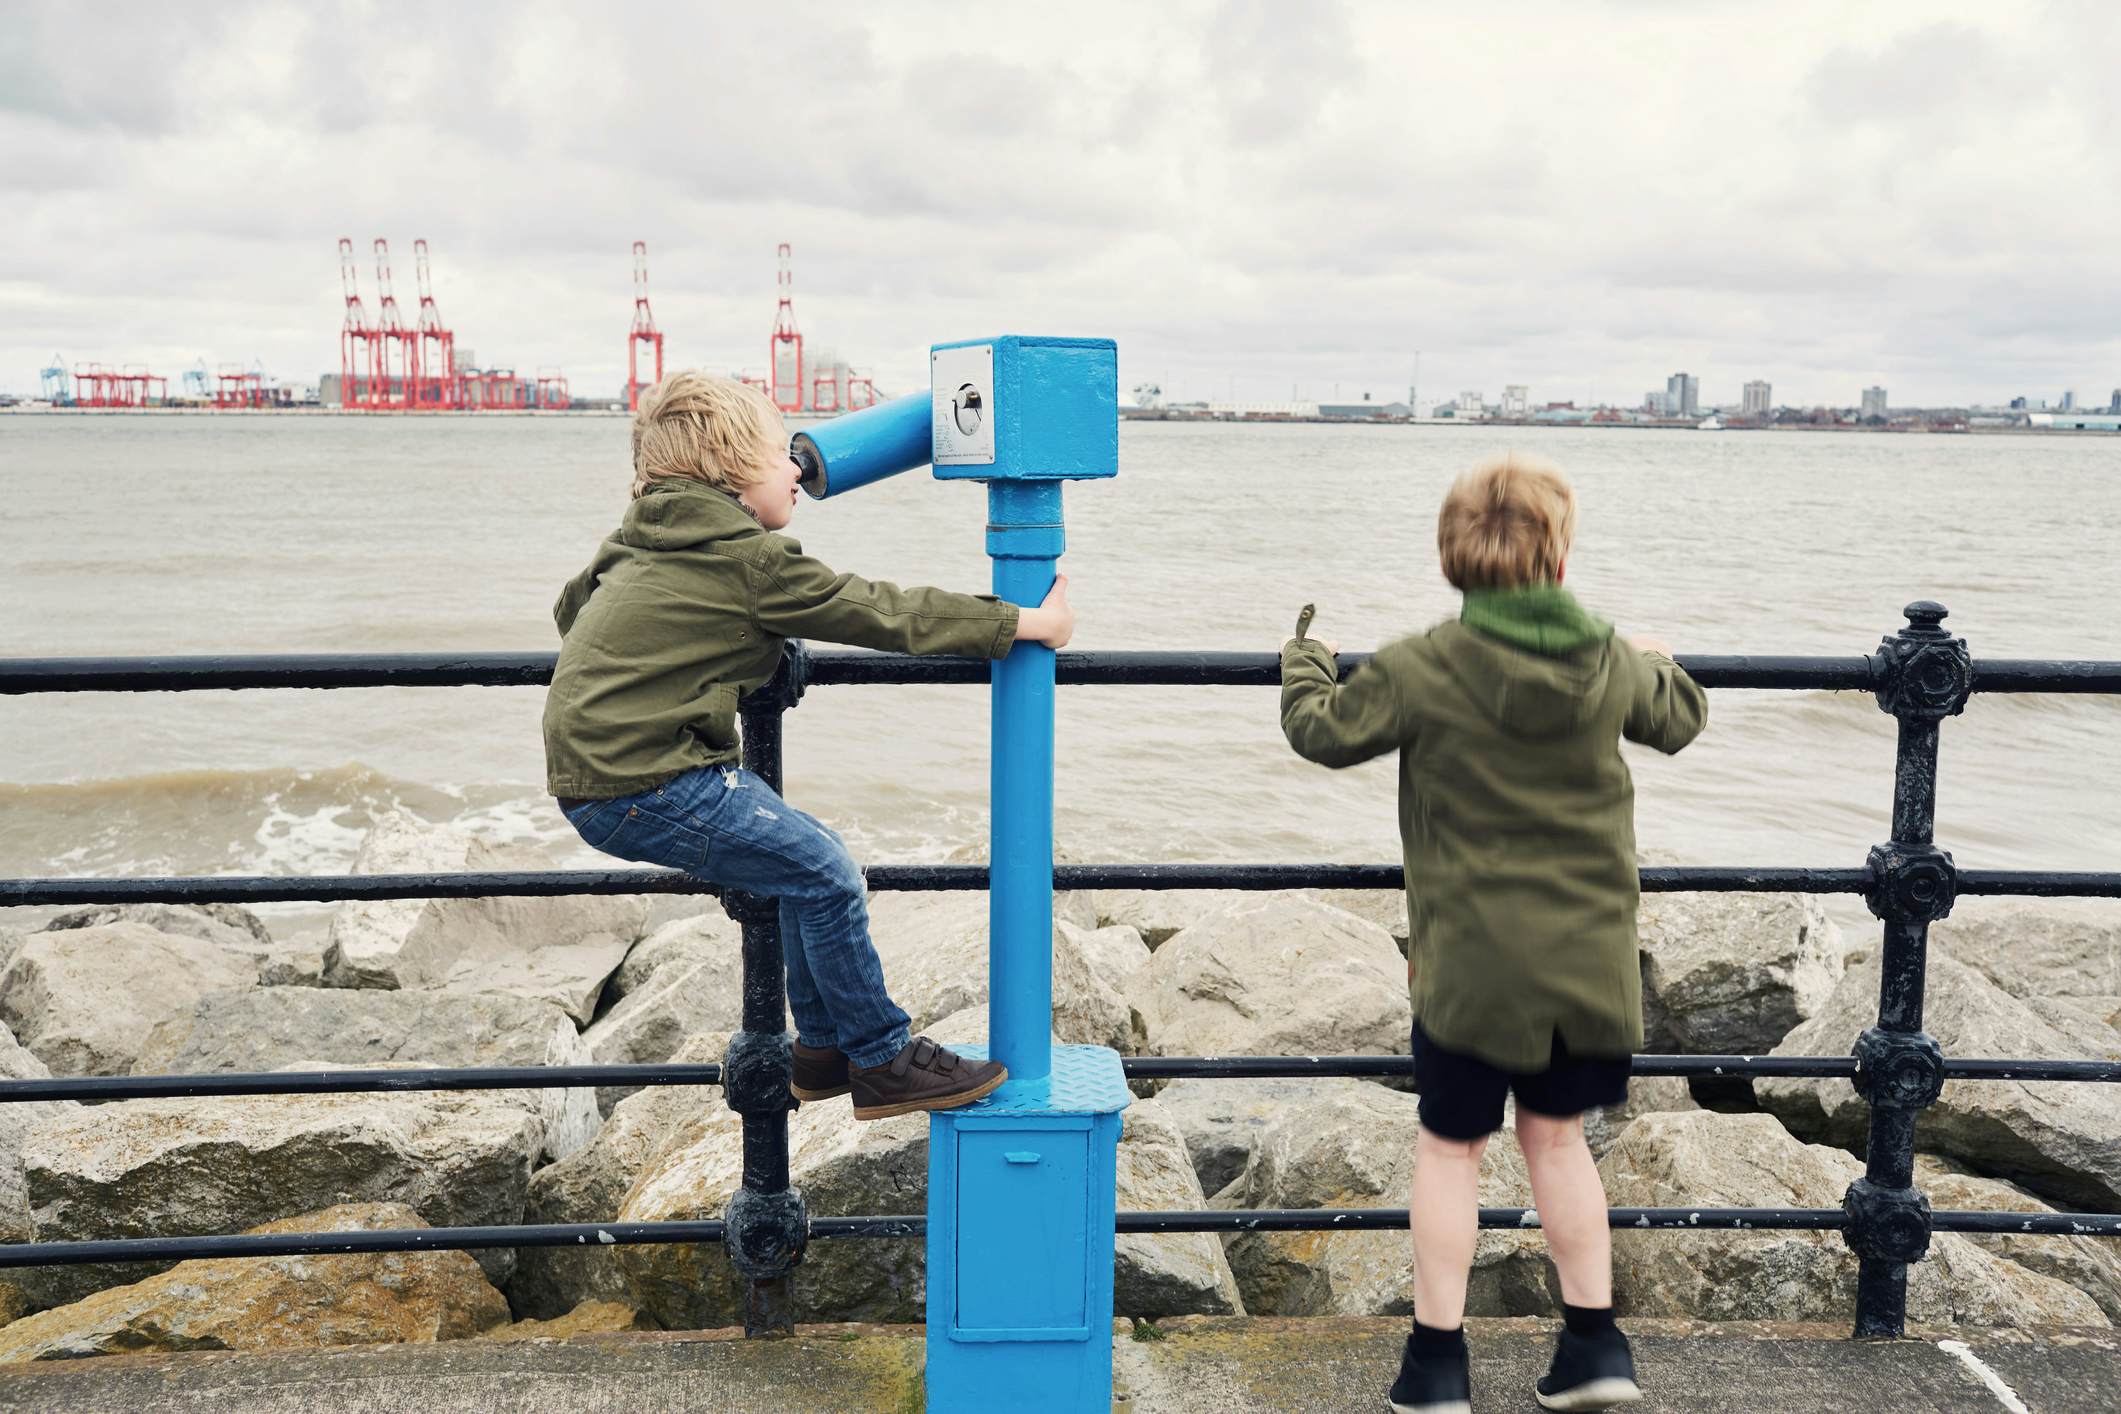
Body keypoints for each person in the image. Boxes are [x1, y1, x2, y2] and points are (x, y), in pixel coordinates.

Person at [1277, 451, 1706, 1413]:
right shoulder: (1603, 656)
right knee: (1558, 1143)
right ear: (1559, 563)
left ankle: (1436, 1364)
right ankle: (1593, 1346)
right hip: (1588, 968)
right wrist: (1654, 655)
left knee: (1450, 1151)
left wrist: (1303, 658)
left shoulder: (1423, 665)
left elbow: (1322, 732)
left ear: (1451, 565)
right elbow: (1678, 720)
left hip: (1470, 970)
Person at [544, 372, 1074, 1120]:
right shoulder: (747, 561)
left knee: (804, 863)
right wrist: (1020, 625)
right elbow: (878, 611)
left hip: (599, 776)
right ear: (729, 471)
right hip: (650, 780)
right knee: (825, 874)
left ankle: (822, 1051)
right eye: (778, 454)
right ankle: (883, 1058)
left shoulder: (636, 540)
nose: (797, 467)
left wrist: (705, 646)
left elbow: (573, 612)